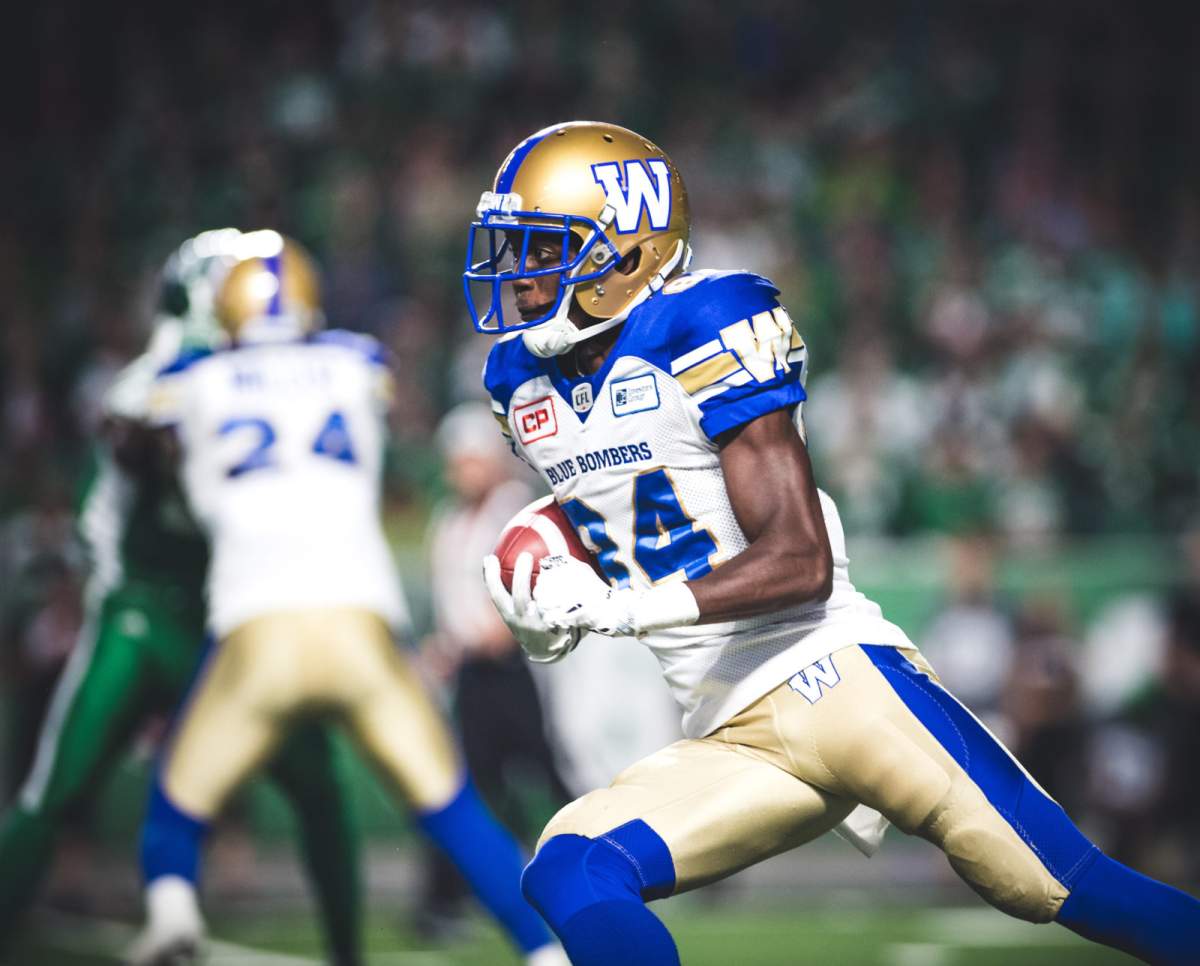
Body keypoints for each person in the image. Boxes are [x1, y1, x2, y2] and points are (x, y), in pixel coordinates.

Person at [467, 121, 1200, 966]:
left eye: (540, 247)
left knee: (1060, 883)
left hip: (834, 683)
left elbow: (799, 562)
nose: (518, 276)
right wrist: (540, 562)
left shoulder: (705, 321)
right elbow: (615, 507)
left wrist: (624, 607)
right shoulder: (519, 379)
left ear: (627, 248)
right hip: (729, 727)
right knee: (570, 867)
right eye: (511, 249)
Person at [126, 231, 566, 966]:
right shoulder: (355, 361)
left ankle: (171, 911)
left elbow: (145, 436)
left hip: (256, 623)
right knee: (454, 809)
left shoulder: (190, 378)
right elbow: (362, 379)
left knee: (175, 808)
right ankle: (543, 953)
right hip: (358, 621)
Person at [0, 230, 363, 966]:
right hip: (143, 615)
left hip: (234, 619)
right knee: (55, 793)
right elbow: (131, 429)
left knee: (320, 789)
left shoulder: (266, 376)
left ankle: (346, 955)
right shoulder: (158, 376)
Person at [418, 403, 571, 933]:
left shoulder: (513, 510)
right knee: (468, 786)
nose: (462, 471)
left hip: (511, 667)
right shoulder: (449, 520)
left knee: (547, 776)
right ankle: (443, 901)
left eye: (470, 460)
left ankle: (604, 865)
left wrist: (488, 633)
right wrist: (446, 645)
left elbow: (526, 584)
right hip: (471, 673)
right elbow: (452, 602)